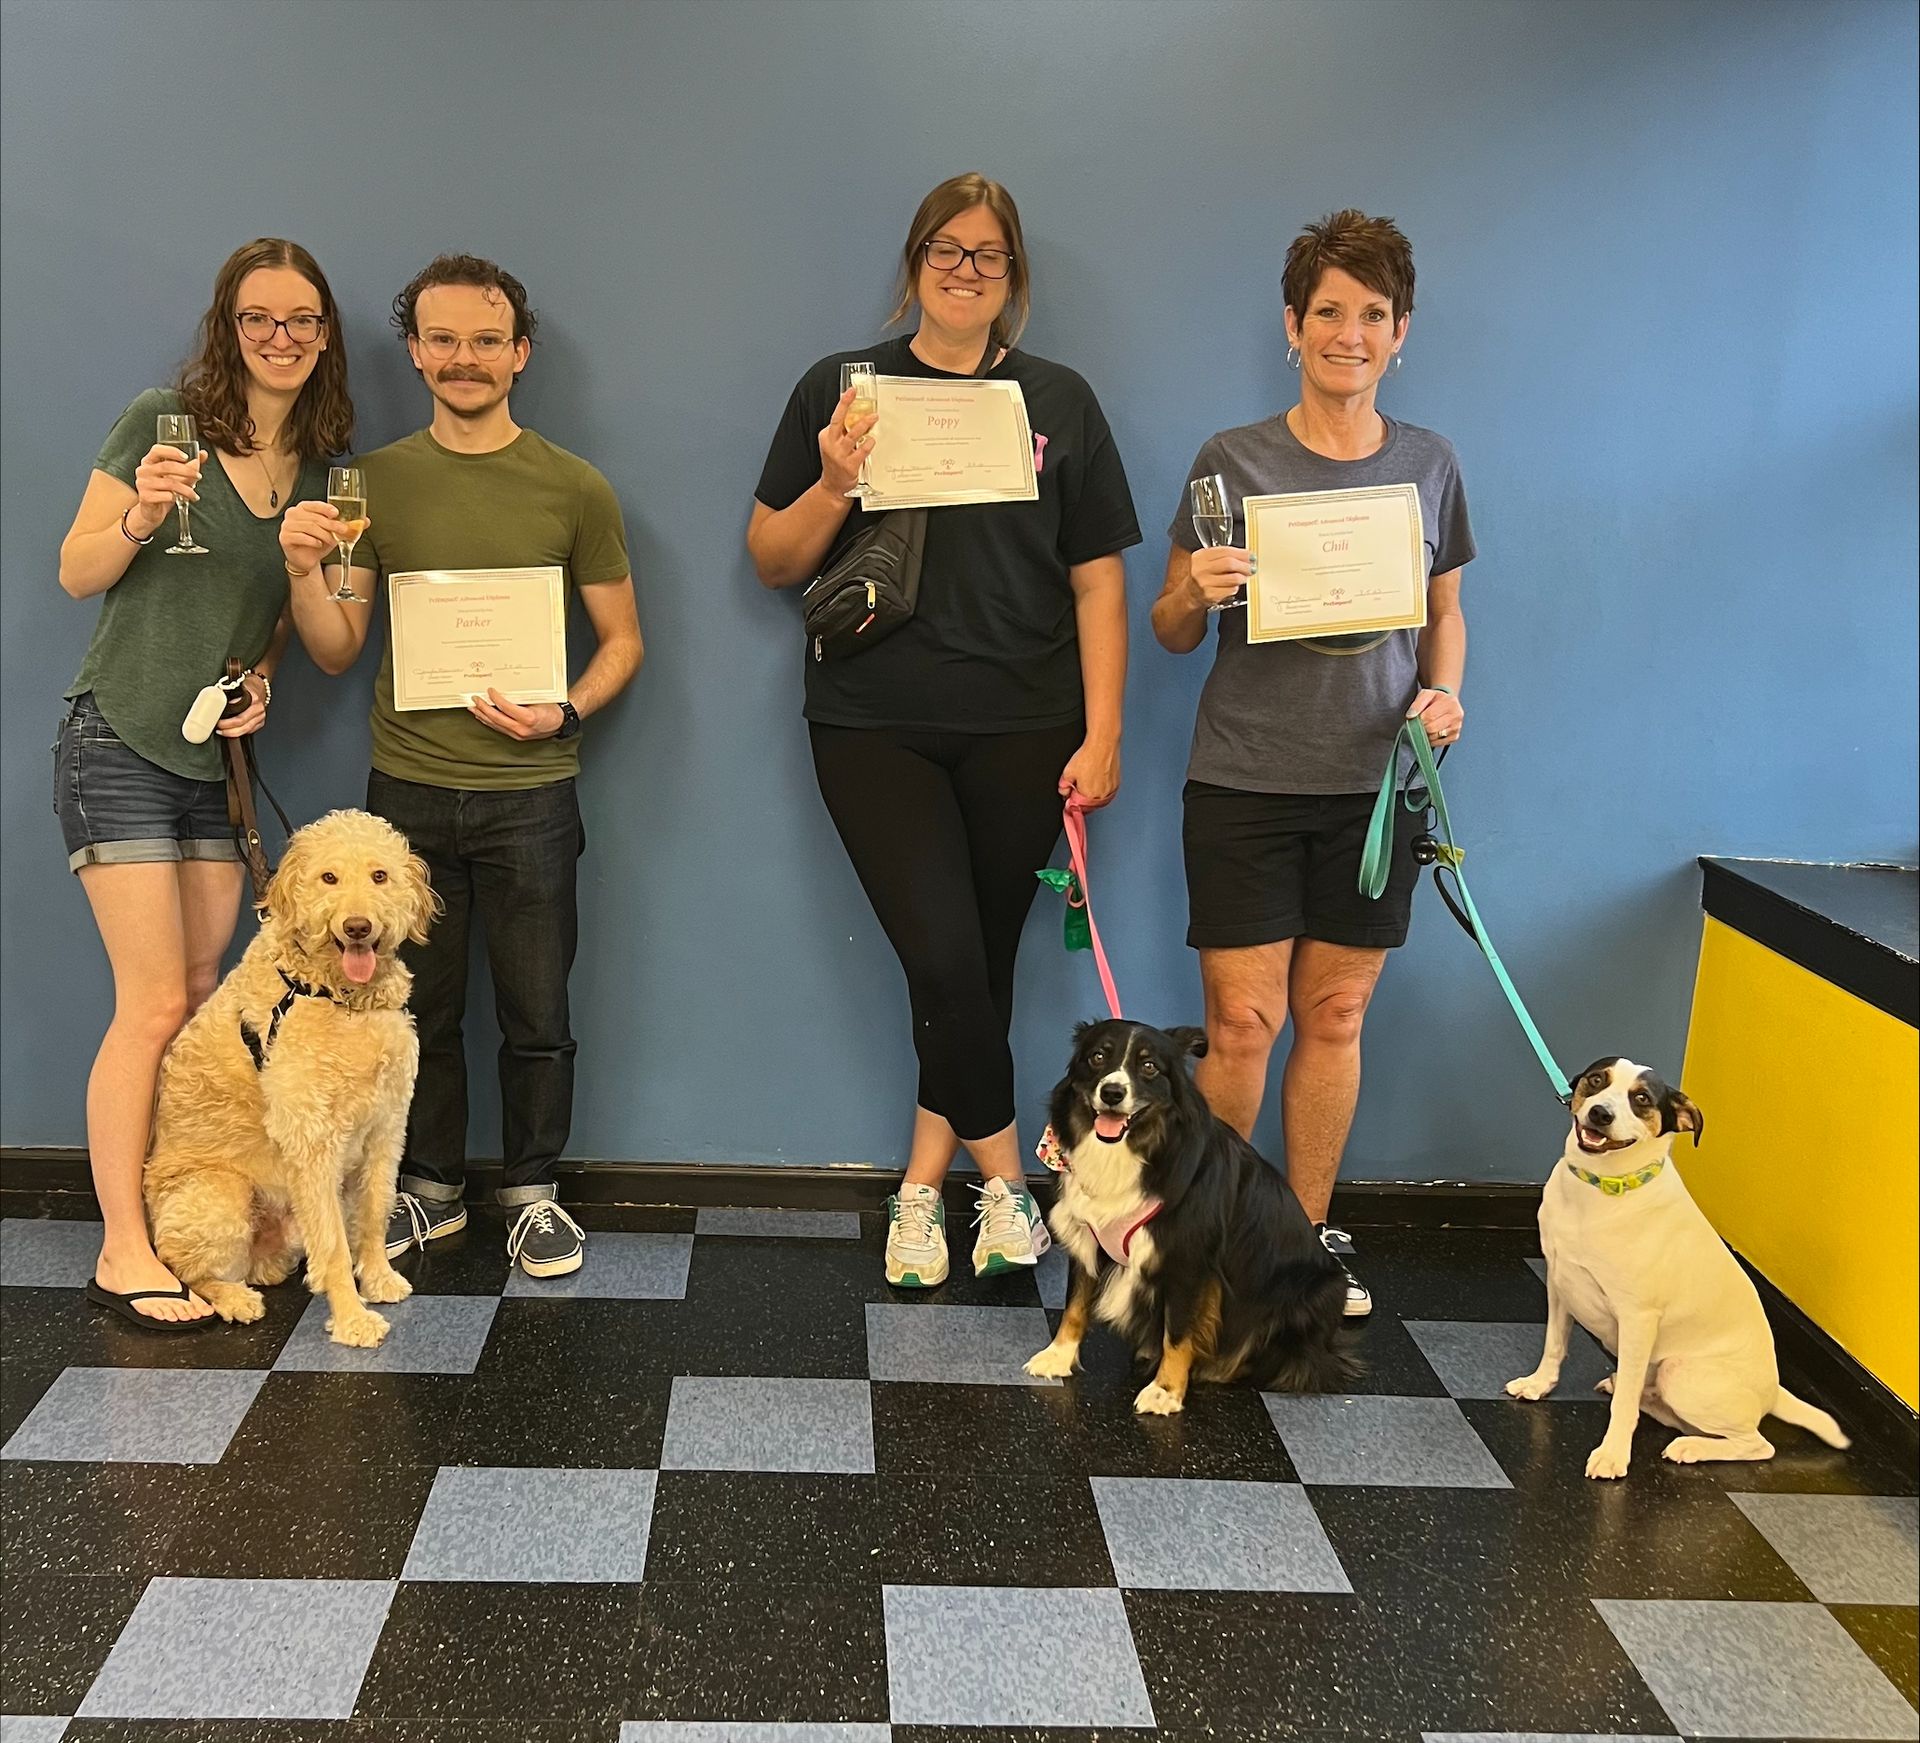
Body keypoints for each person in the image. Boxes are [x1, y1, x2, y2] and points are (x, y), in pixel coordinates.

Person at [749, 174, 1140, 1288]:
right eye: (947, 249)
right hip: (873, 725)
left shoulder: (1059, 398)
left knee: (974, 972)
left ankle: (923, 1193)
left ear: (1014, 278)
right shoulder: (844, 389)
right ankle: (1012, 1184)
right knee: (945, 957)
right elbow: (774, 559)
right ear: (914, 260)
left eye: (989, 255)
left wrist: (1102, 733)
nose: (967, 270)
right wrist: (835, 481)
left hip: (1026, 727)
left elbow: (1099, 583)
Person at [281, 254, 642, 1280]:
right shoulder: (369, 483)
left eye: (487, 340)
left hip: (532, 794)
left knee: (538, 1013)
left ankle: (532, 1191)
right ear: (416, 352)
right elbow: (339, 648)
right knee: (409, 1009)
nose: (465, 358)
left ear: (519, 353)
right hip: (404, 799)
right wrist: (305, 570)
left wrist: (565, 704)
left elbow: (624, 644)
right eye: (443, 340)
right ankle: (426, 1188)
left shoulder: (575, 486)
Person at [1150, 209, 1475, 1317]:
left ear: (1401, 333)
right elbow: (1170, 630)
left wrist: (1446, 693)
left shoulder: (1429, 464)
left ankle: (1306, 1236)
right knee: (1243, 1025)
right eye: (1328, 312)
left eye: (1372, 315)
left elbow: (1446, 615)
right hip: (1243, 779)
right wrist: (1196, 588)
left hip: (1374, 792)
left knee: (1335, 1018)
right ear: (1293, 328)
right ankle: (1211, 1233)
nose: (1350, 333)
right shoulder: (1229, 461)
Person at [54, 237, 355, 1329]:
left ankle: (178, 1218)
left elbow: (310, 641)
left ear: (326, 337)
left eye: (303, 321)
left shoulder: (327, 477)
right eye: (258, 320)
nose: (281, 339)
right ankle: (121, 1250)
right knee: (148, 1008)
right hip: (119, 741)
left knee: (190, 1004)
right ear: (228, 329)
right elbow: (76, 568)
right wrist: (138, 512)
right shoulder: (160, 426)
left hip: (211, 762)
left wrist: (262, 676)